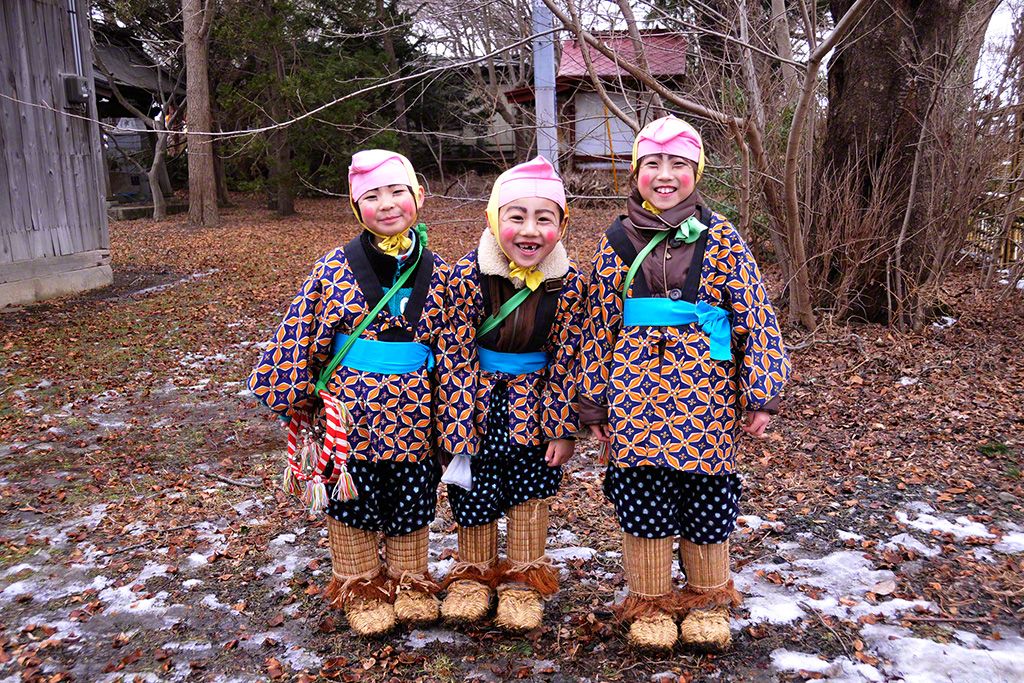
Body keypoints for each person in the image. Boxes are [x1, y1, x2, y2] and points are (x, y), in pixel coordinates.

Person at [579, 116, 791, 651]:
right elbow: (597, 325)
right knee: (644, 493)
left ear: (696, 170)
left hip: (706, 396)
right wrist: (593, 404)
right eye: (653, 163)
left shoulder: (722, 237)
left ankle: (706, 599)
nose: (665, 174)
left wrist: (759, 390)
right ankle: (650, 603)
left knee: (706, 496)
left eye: (678, 164)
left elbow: (754, 314)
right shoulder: (615, 240)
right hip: (634, 394)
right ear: (636, 172)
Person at [248, 149, 451, 636]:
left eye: (397, 191)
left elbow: (454, 349)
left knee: (412, 495)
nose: (387, 204)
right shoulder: (333, 268)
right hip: (349, 409)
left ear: (418, 197)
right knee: (352, 497)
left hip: (415, 411)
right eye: (372, 196)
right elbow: (301, 328)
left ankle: (410, 581)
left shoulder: (442, 272)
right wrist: (290, 389)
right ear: (355, 206)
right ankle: (359, 583)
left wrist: (456, 413)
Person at [436, 156, 585, 631]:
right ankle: (473, 575)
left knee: (528, 490)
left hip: (535, 404)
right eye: (515, 216)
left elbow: (567, 360)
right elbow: (452, 353)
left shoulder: (569, 286)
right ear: (493, 219)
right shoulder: (463, 278)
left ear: (561, 225)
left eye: (544, 218)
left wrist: (562, 430)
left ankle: (523, 580)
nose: (529, 230)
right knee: (475, 490)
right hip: (476, 400)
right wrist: (455, 424)